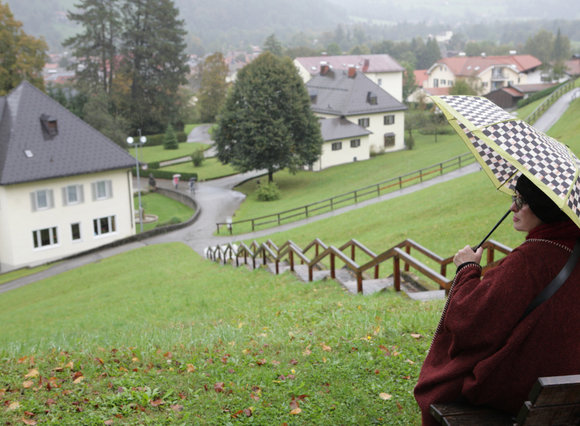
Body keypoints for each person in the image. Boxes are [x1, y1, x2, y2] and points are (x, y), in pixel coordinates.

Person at [414, 174, 580, 425]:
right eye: (515, 197)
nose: (513, 206)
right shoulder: (568, 249)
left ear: (544, 206)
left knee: (445, 381)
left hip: (519, 389)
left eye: (522, 200)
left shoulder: (529, 261)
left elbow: (469, 322)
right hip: (567, 392)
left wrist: (467, 269)